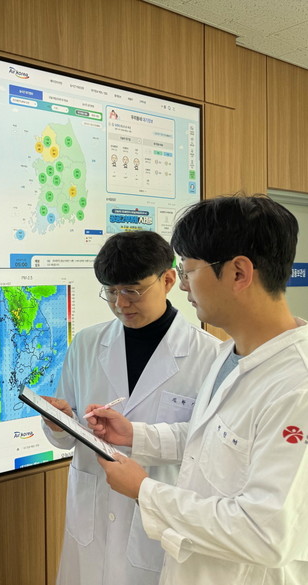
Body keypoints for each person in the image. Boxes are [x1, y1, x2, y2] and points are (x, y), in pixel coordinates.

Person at [90, 195, 308, 584]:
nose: (183, 285)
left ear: (239, 273)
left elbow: (266, 533)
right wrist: (135, 435)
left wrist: (145, 491)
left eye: (188, 270)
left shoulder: (297, 385)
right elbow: (211, 441)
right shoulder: (230, 355)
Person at [42, 230, 220, 585]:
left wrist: (139, 437)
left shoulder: (209, 355)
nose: (121, 303)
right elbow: (66, 438)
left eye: (132, 291)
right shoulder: (87, 343)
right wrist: (60, 424)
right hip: (91, 520)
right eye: (111, 291)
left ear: (168, 280)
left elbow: (210, 445)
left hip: (157, 525)